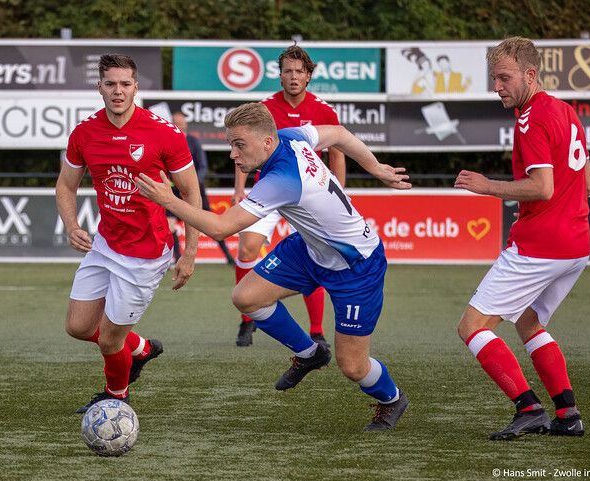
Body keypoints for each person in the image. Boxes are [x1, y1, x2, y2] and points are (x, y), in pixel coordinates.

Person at [135, 102, 413, 430]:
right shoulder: (291, 136)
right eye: (230, 145)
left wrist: (168, 200)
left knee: (353, 367)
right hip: (311, 249)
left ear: (267, 142)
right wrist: (375, 167)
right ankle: (310, 353)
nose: (233, 156)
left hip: (356, 266)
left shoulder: (282, 178)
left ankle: (392, 398)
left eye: (239, 145)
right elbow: (338, 134)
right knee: (246, 297)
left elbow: (221, 228)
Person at [454, 37, 590, 440]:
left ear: (529, 75)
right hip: (576, 245)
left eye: (504, 77)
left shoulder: (531, 118)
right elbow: (585, 183)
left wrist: (486, 185)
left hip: (540, 245)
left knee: (472, 326)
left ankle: (529, 408)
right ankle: (567, 414)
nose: (496, 86)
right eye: (493, 77)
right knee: (529, 321)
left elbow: (543, 187)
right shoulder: (566, 111)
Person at [56, 53, 201, 413]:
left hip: (146, 256)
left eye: (124, 84)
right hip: (105, 244)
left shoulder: (164, 134)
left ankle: (116, 396)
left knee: (108, 341)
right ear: (99, 87)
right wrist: (72, 226)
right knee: (77, 326)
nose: (117, 91)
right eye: (110, 84)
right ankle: (141, 348)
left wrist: (189, 254)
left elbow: (191, 194)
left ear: (136, 86)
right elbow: (65, 185)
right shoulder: (85, 132)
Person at [233, 44, 345, 348]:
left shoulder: (324, 109)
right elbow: (245, 146)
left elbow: (337, 153)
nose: (293, 76)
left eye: (299, 71)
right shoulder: (263, 109)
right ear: (280, 75)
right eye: (288, 71)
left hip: (309, 196)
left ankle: (317, 330)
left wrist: (340, 193)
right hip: (269, 188)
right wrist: (239, 187)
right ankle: (247, 322)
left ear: (308, 76)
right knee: (247, 249)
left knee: (315, 255)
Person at [170, 111, 234, 266]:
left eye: (181, 123)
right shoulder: (168, 141)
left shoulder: (193, 142)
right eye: (175, 122)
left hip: (195, 190)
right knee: (169, 224)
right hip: (174, 192)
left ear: (186, 124)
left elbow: (203, 166)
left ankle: (229, 258)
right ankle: (178, 258)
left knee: (210, 224)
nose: (179, 125)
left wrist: (192, 184)